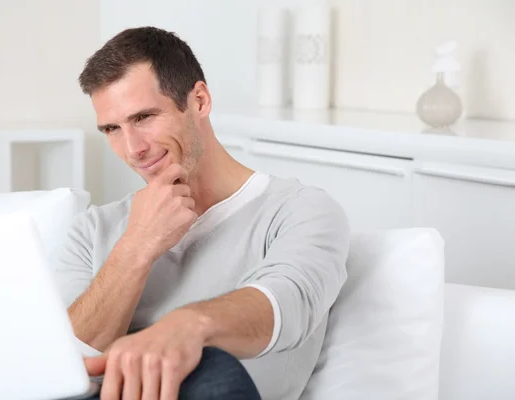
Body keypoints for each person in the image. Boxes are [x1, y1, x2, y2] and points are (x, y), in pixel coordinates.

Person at [55, 26, 350, 400]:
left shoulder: (299, 210)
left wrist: (187, 328)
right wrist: (137, 247)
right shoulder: (93, 229)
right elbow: (63, 365)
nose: (133, 149)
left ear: (199, 101)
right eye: (112, 128)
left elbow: (286, 305)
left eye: (144, 117)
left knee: (210, 370)